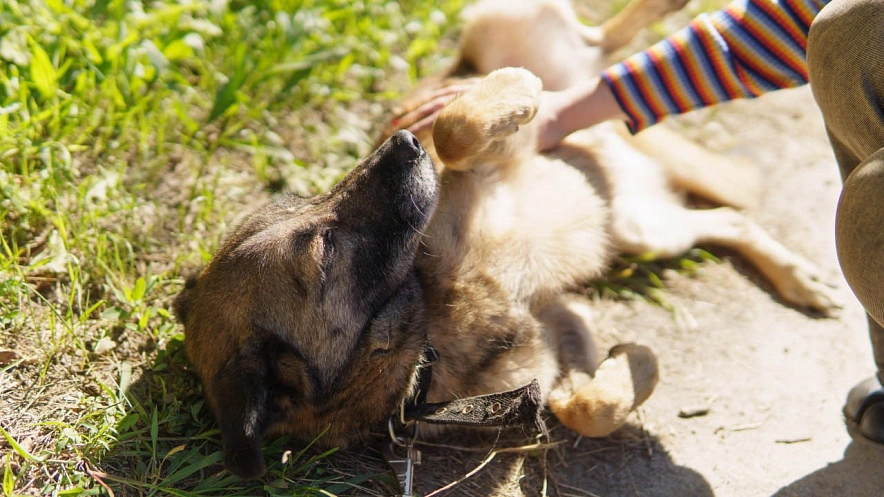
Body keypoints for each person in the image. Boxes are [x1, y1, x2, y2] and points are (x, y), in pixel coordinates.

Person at [404, 0, 884, 443]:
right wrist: (567, 109)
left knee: (504, 27)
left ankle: (612, 37)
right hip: (580, 149)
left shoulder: (417, 245)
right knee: (848, 29)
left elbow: (475, 161)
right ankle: (613, 48)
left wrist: (472, 126)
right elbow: (801, 20)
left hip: (532, 140)